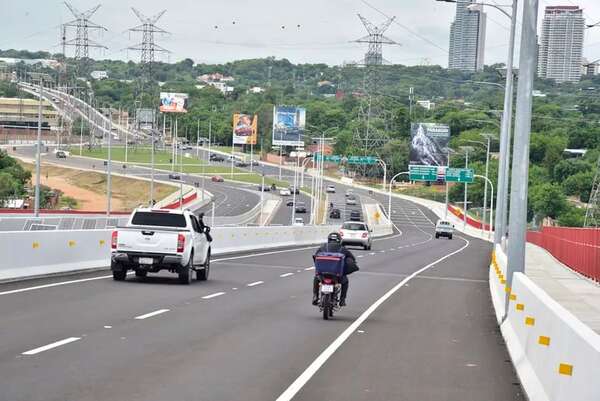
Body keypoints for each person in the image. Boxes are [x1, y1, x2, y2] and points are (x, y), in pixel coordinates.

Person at [312, 232, 358, 307]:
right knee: (345, 281)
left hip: (323, 274)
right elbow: (352, 258)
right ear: (339, 240)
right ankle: (342, 300)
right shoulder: (343, 249)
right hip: (337, 275)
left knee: (316, 278)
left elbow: (316, 257)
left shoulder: (322, 247)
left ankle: (315, 296)